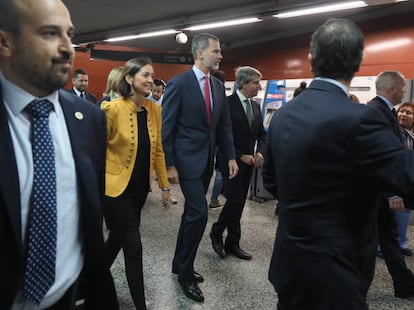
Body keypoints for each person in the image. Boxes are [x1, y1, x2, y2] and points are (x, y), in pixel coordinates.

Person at [262, 18, 414, 309]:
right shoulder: (359, 119)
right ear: (358, 63)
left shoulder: (283, 115)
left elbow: (271, 181)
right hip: (336, 272)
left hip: (288, 260)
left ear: (311, 59)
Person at [0, 0, 119, 309]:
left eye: (70, 34)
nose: (68, 48)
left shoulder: (88, 118)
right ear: (5, 42)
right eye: (50, 33)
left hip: (70, 295)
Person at [162, 33, 239, 303]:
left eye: (219, 52)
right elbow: (167, 127)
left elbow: (223, 126)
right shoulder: (179, 84)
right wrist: (169, 164)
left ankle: (178, 262)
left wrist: (229, 156)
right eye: (215, 51)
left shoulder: (218, 87)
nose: (220, 56)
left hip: (208, 160)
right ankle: (185, 273)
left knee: (191, 215)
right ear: (199, 53)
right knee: (199, 213)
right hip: (185, 161)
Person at [101, 57, 171, 310]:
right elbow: (96, 151)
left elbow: (159, 150)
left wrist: (165, 187)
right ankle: (141, 305)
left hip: (139, 190)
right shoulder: (112, 109)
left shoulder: (155, 111)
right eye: (145, 75)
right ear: (129, 78)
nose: (151, 80)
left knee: (116, 240)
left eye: (153, 76)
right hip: (114, 189)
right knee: (133, 245)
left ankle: (90, 280)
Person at [210, 66, 266, 260]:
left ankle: (233, 242)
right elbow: (221, 135)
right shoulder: (226, 104)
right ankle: (216, 231)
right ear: (242, 83)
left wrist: (260, 152)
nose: (258, 86)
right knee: (234, 201)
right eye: (255, 83)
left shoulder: (256, 106)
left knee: (239, 204)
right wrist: (239, 155)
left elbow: (262, 134)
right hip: (230, 162)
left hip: (249, 165)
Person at [367, 70, 414, 298]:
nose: (405, 92)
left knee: (388, 237)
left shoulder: (385, 111)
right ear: (393, 89)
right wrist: (390, 192)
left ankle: (404, 284)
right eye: (403, 88)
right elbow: (375, 157)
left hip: (379, 192)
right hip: (375, 192)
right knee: (371, 239)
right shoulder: (376, 112)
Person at [396, 102, 414, 256]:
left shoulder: (410, 135)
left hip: (407, 180)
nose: (403, 114)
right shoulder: (394, 133)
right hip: (397, 179)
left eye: (408, 112)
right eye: (401, 111)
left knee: (404, 212)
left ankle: (402, 242)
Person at [209, 70, 226, 209]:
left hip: (211, 140)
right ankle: (214, 198)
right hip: (220, 140)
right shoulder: (222, 97)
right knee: (220, 170)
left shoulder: (211, 96)